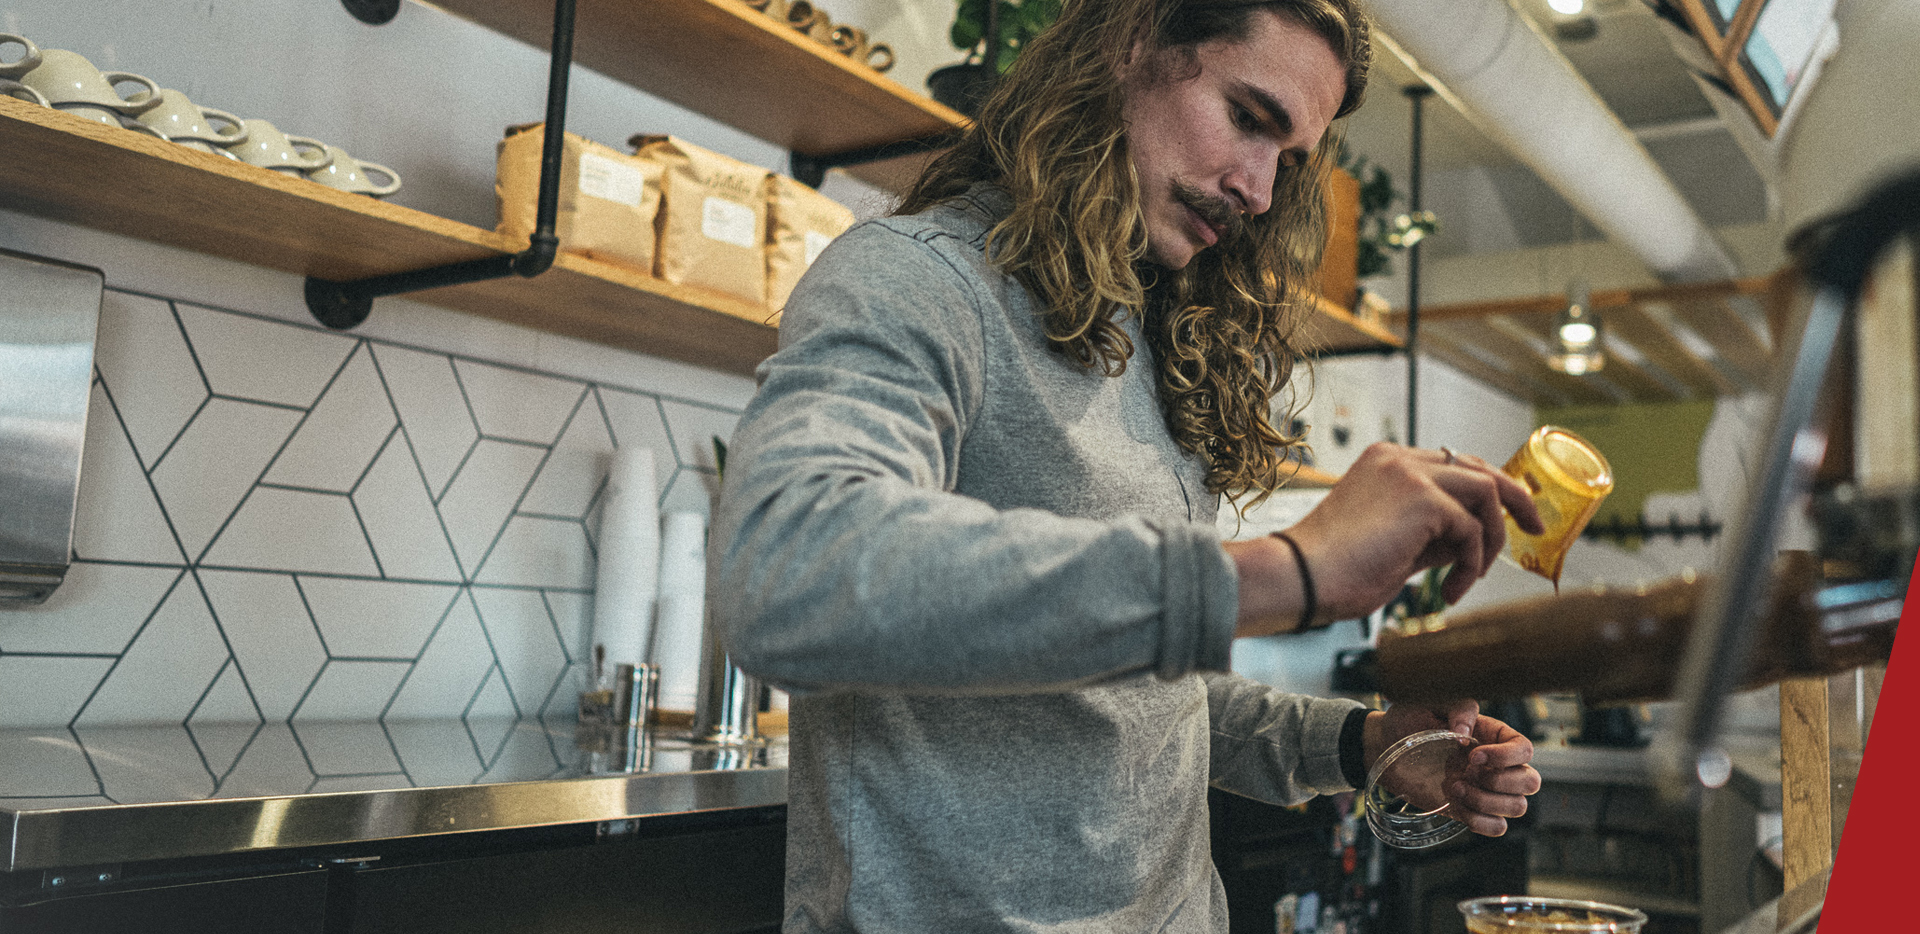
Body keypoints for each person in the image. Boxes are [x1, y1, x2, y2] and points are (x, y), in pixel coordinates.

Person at [708, 0, 1546, 930]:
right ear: (1133, 43)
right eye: (1247, 118)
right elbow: (786, 576)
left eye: (1289, 159)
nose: (1260, 189)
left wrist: (1362, 744)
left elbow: (1137, 707)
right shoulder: (916, 278)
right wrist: (1292, 572)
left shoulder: (1151, 336)